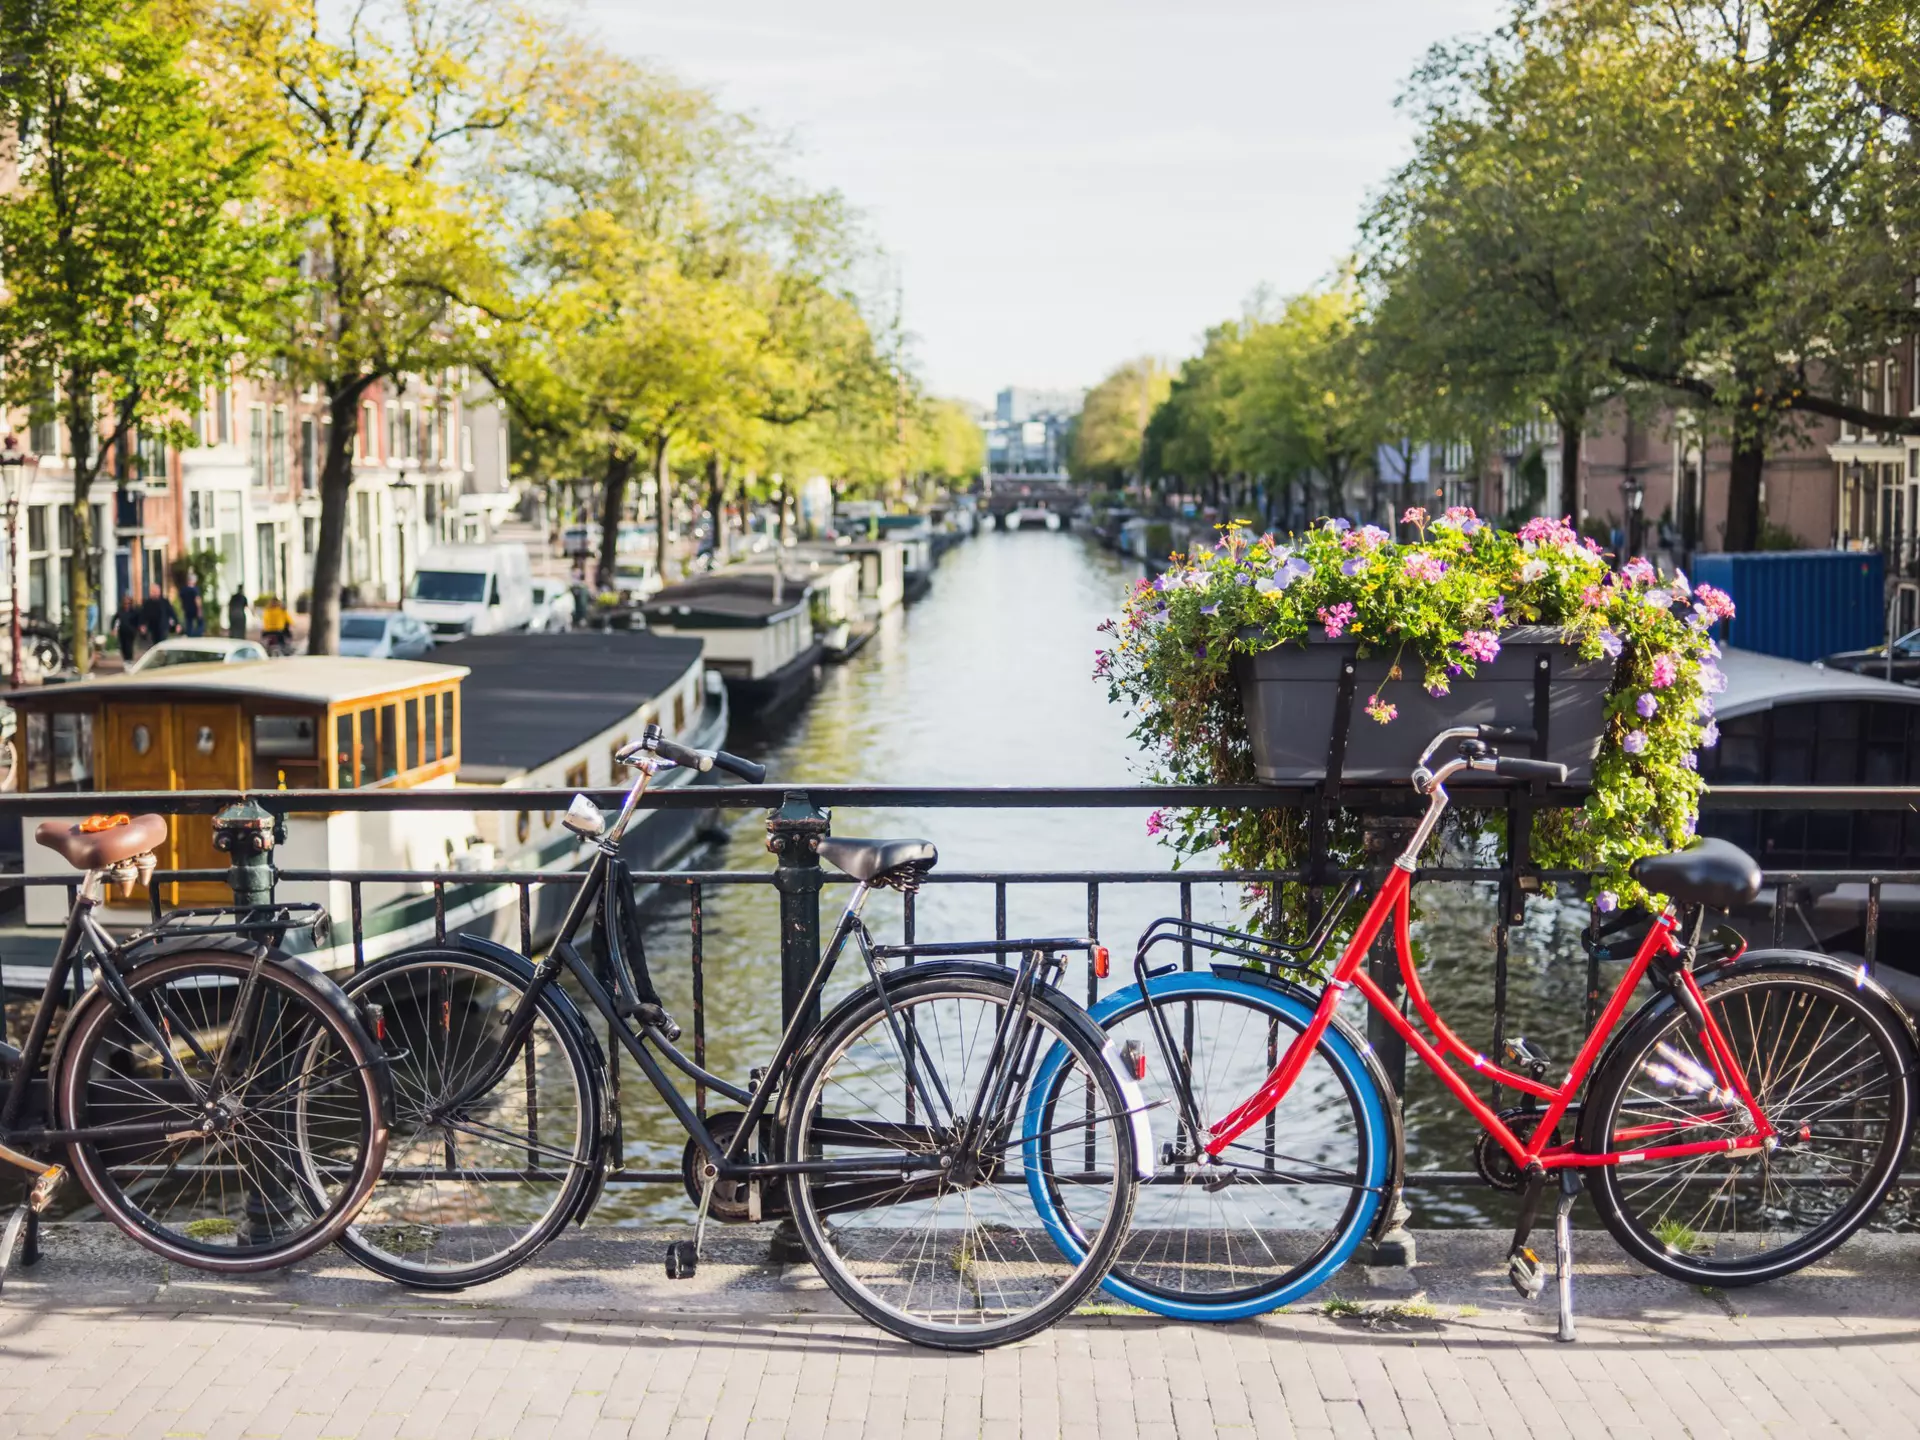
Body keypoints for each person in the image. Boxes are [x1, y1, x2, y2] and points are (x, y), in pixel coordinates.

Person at [139, 583, 176, 650]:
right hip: (152, 627)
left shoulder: (164, 601)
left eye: (156, 591)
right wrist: (142, 625)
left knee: (162, 643)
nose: (154, 593)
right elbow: (143, 615)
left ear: (159, 591)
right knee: (153, 645)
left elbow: (171, 612)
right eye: (153, 591)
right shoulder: (147, 603)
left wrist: (177, 623)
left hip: (163, 626)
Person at [114, 593, 141, 665]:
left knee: (129, 646)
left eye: (128, 603)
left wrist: (138, 627)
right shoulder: (120, 610)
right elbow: (115, 619)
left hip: (131, 631)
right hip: (122, 631)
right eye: (125, 603)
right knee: (123, 646)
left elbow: (139, 620)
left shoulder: (134, 611)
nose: (126, 605)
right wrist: (113, 629)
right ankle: (126, 659)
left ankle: (129, 660)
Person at [178, 573, 203, 637]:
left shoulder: (183, 590)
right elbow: (197, 600)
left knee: (189, 624)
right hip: (195, 609)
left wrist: (183, 607)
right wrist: (199, 610)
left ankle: (189, 635)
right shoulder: (195, 590)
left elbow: (181, 599)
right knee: (201, 623)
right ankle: (196, 635)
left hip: (187, 610)